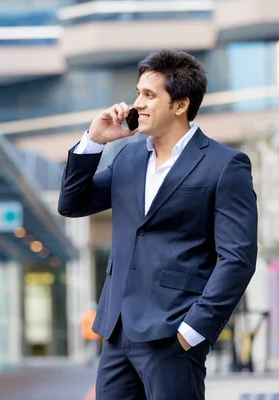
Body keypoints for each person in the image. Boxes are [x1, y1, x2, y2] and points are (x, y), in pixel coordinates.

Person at [58, 49, 258, 400]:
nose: (137, 105)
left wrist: (195, 329)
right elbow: (72, 204)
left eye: (149, 95)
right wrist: (94, 141)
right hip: (119, 332)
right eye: (138, 93)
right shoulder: (129, 157)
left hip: (174, 333)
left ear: (180, 104)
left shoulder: (225, 165)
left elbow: (238, 258)